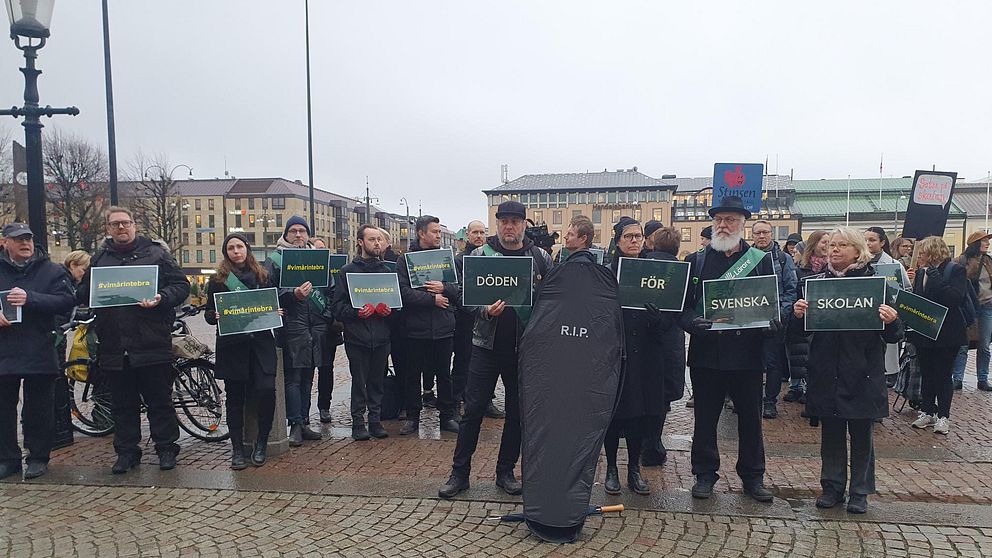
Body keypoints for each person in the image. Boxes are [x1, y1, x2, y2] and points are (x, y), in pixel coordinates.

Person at [438, 200, 552, 499]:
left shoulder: (540, 257)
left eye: (515, 221)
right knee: (472, 411)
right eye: (504, 221)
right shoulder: (478, 255)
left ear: (524, 224)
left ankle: (505, 471)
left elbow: (552, 302)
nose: (509, 226)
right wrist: (484, 310)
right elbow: (462, 296)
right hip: (485, 347)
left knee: (516, 414)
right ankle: (459, 473)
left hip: (523, 350)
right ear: (497, 224)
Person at [791, 227, 903, 514]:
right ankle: (832, 487)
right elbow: (796, 336)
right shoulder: (816, 284)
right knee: (831, 432)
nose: (835, 250)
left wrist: (892, 320)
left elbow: (894, 336)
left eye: (842, 245)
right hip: (827, 369)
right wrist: (797, 316)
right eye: (832, 246)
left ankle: (860, 491)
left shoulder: (875, 284)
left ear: (857, 251)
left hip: (863, 370)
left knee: (862, 434)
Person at [76, 207, 190, 474]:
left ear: (134, 225)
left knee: (159, 400)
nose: (121, 228)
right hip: (115, 345)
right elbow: (85, 293)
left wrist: (162, 297)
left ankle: (166, 448)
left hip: (151, 341)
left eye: (125, 223)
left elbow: (181, 286)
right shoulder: (101, 258)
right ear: (107, 229)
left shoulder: (156, 253)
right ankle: (126, 452)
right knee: (122, 404)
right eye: (115, 224)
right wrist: (85, 288)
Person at [680, 196, 776, 503]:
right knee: (705, 420)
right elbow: (681, 309)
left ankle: (753, 476)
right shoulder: (696, 261)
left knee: (750, 419)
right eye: (719, 220)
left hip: (748, 353)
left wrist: (774, 321)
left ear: (742, 224)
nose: (724, 225)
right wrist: (693, 323)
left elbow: (773, 303)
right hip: (708, 354)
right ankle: (705, 474)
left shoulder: (760, 261)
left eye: (731, 220)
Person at [602, 218, 672, 495]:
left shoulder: (655, 270)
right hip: (615, 353)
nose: (634, 241)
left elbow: (670, 316)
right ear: (618, 241)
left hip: (646, 353)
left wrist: (658, 319)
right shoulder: (607, 272)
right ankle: (610, 469)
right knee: (613, 414)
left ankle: (633, 469)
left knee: (639, 415)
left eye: (638, 236)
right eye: (628, 236)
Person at [0, 224, 75, 480]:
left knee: (39, 408)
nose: (25, 243)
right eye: (19, 239)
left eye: (28, 239)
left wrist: (30, 298)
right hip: (4, 348)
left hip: (39, 347)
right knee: (2, 408)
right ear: (5, 242)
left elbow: (66, 301)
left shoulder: (52, 270)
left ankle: (38, 457)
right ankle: (7, 459)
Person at [205, 233, 280, 469]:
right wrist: (213, 316)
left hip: (260, 345)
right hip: (233, 346)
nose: (236, 251)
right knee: (235, 398)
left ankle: (262, 443)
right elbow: (208, 313)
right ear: (226, 252)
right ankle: (237, 449)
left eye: (239, 247)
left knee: (266, 391)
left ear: (247, 249)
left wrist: (276, 313)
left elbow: (273, 303)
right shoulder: (218, 280)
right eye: (231, 248)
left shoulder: (263, 276)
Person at [263, 216, 333, 446]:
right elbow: (268, 294)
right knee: (293, 378)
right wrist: (293, 295)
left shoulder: (319, 259)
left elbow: (330, 290)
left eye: (302, 230)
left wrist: (327, 315)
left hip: (316, 327)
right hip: (292, 327)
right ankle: (294, 423)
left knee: (308, 378)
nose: (298, 235)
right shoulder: (275, 261)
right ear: (286, 234)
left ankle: (303, 421)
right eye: (293, 231)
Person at [396, 215, 461, 435]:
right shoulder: (405, 261)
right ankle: (413, 417)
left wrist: (443, 288)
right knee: (412, 374)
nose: (438, 236)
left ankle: (446, 417)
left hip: (443, 327)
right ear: (421, 233)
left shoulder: (447, 259)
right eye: (434, 232)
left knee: (444, 374)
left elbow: (458, 290)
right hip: (415, 328)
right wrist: (431, 299)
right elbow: (403, 293)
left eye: (439, 232)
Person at [331, 225, 394, 440]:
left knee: (377, 380)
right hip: (357, 337)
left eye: (379, 239)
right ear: (360, 242)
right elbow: (337, 307)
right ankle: (358, 422)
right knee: (359, 381)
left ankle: (375, 421)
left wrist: (390, 311)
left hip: (382, 336)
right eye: (371, 239)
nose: (377, 243)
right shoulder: (347, 271)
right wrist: (356, 313)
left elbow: (397, 305)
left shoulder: (387, 271)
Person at [909, 236, 968, 435]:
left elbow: (954, 299)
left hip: (948, 332)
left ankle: (944, 416)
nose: (919, 256)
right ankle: (927, 411)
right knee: (926, 373)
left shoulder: (955, 270)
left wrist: (936, 278)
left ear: (933, 253)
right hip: (925, 331)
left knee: (943, 374)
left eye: (923, 252)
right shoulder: (920, 273)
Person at [640, 227, 687, 467]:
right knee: (661, 399)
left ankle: (641, 442)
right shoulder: (681, 272)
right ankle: (653, 443)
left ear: (653, 245)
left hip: (643, 338)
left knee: (643, 391)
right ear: (677, 248)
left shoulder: (642, 266)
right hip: (669, 341)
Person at [751, 220, 798, 419]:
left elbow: (791, 290)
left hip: (774, 321)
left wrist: (780, 314)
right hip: (750, 320)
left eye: (765, 232)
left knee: (773, 363)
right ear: (752, 235)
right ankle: (749, 399)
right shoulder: (745, 258)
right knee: (750, 362)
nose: (761, 236)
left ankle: (769, 402)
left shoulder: (783, 259)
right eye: (757, 233)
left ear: (771, 234)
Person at [452, 220, 493, 413]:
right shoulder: (460, 260)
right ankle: (459, 402)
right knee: (463, 362)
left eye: (482, 232)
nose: (478, 236)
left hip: (487, 319)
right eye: (474, 232)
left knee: (487, 364)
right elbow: (458, 291)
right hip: (465, 320)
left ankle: (486, 402)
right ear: (467, 235)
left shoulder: (491, 256)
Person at [787, 230, 831, 404]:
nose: (827, 246)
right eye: (824, 242)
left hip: (825, 324)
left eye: (830, 242)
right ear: (814, 244)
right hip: (804, 322)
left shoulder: (834, 270)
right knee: (801, 357)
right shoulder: (800, 271)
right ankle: (799, 387)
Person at [864, 227, 911, 382]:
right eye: (865, 240)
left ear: (882, 242)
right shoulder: (858, 264)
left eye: (872, 240)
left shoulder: (894, 265)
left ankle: (890, 375)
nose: (868, 243)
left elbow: (906, 290)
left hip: (887, 315)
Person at [951, 231, 992, 391]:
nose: (987, 244)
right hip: (967, 306)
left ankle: (982, 378)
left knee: (985, 345)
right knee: (963, 343)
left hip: (987, 305)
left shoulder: (989, 261)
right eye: (984, 241)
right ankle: (958, 378)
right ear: (975, 243)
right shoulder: (961, 261)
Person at [310, 238, 345, 423]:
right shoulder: (302, 272)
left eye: (323, 249)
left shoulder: (331, 273)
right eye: (316, 248)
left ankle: (324, 407)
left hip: (328, 328)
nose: (320, 252)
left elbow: (335, 295)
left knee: (326, 369)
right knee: (306, 373)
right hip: (308, 327)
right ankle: (304, 412)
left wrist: (327, 315)